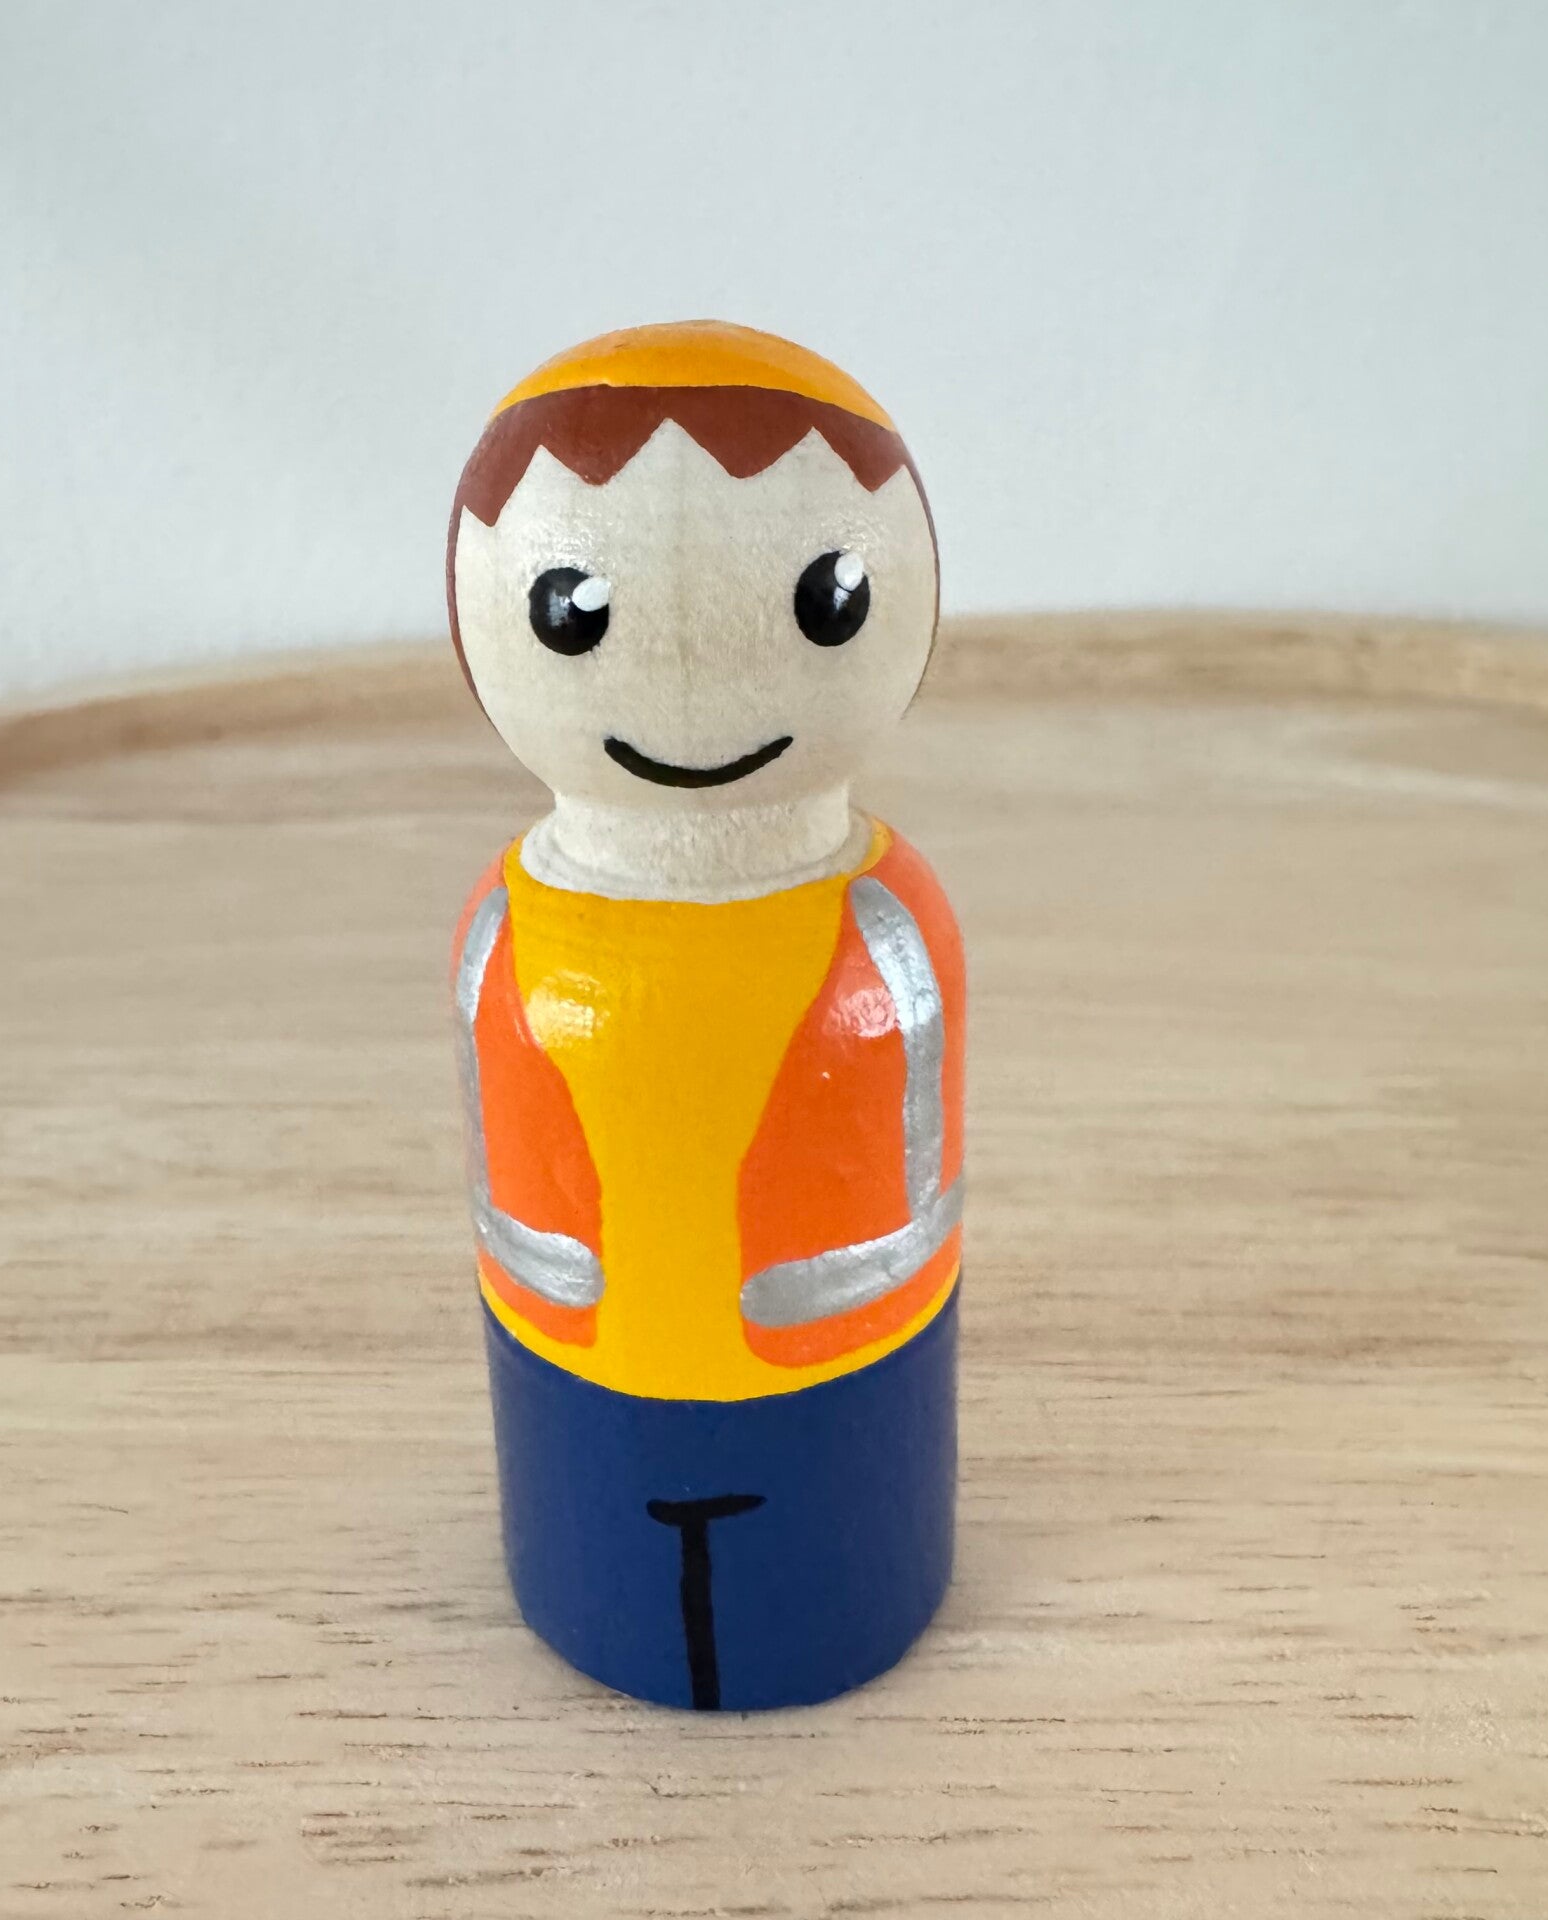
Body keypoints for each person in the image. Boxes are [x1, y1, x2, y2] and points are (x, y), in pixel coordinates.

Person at [448, 321, 964, 1710]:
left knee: (819, 1582)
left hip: (843, 1376)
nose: (684, 687)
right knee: (618, 1578)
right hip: (580, 1372)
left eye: (824, 604)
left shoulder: (884, 929)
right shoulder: (513, 931)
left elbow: (908, 1188)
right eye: (574, 613)